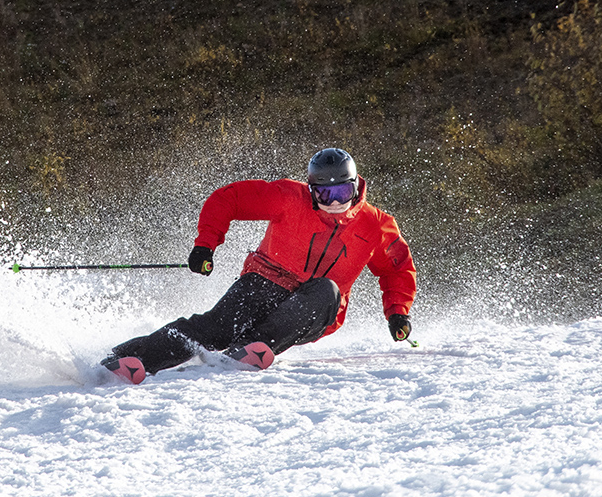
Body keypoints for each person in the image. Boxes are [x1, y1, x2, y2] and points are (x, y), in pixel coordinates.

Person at [101, 148, 417, 384]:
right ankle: (126, 360)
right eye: (324, 193)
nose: (334, 203)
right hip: (265, 282)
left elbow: (397, 268)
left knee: (326, 289)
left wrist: (397, 311)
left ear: (356, 186)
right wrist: (205, 245)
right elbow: (230, 199)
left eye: (342, 192)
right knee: (215, 327)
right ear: (311, 189)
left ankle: (254, 347)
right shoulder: (288, 197)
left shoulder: (376, 225)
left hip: (312, 311)